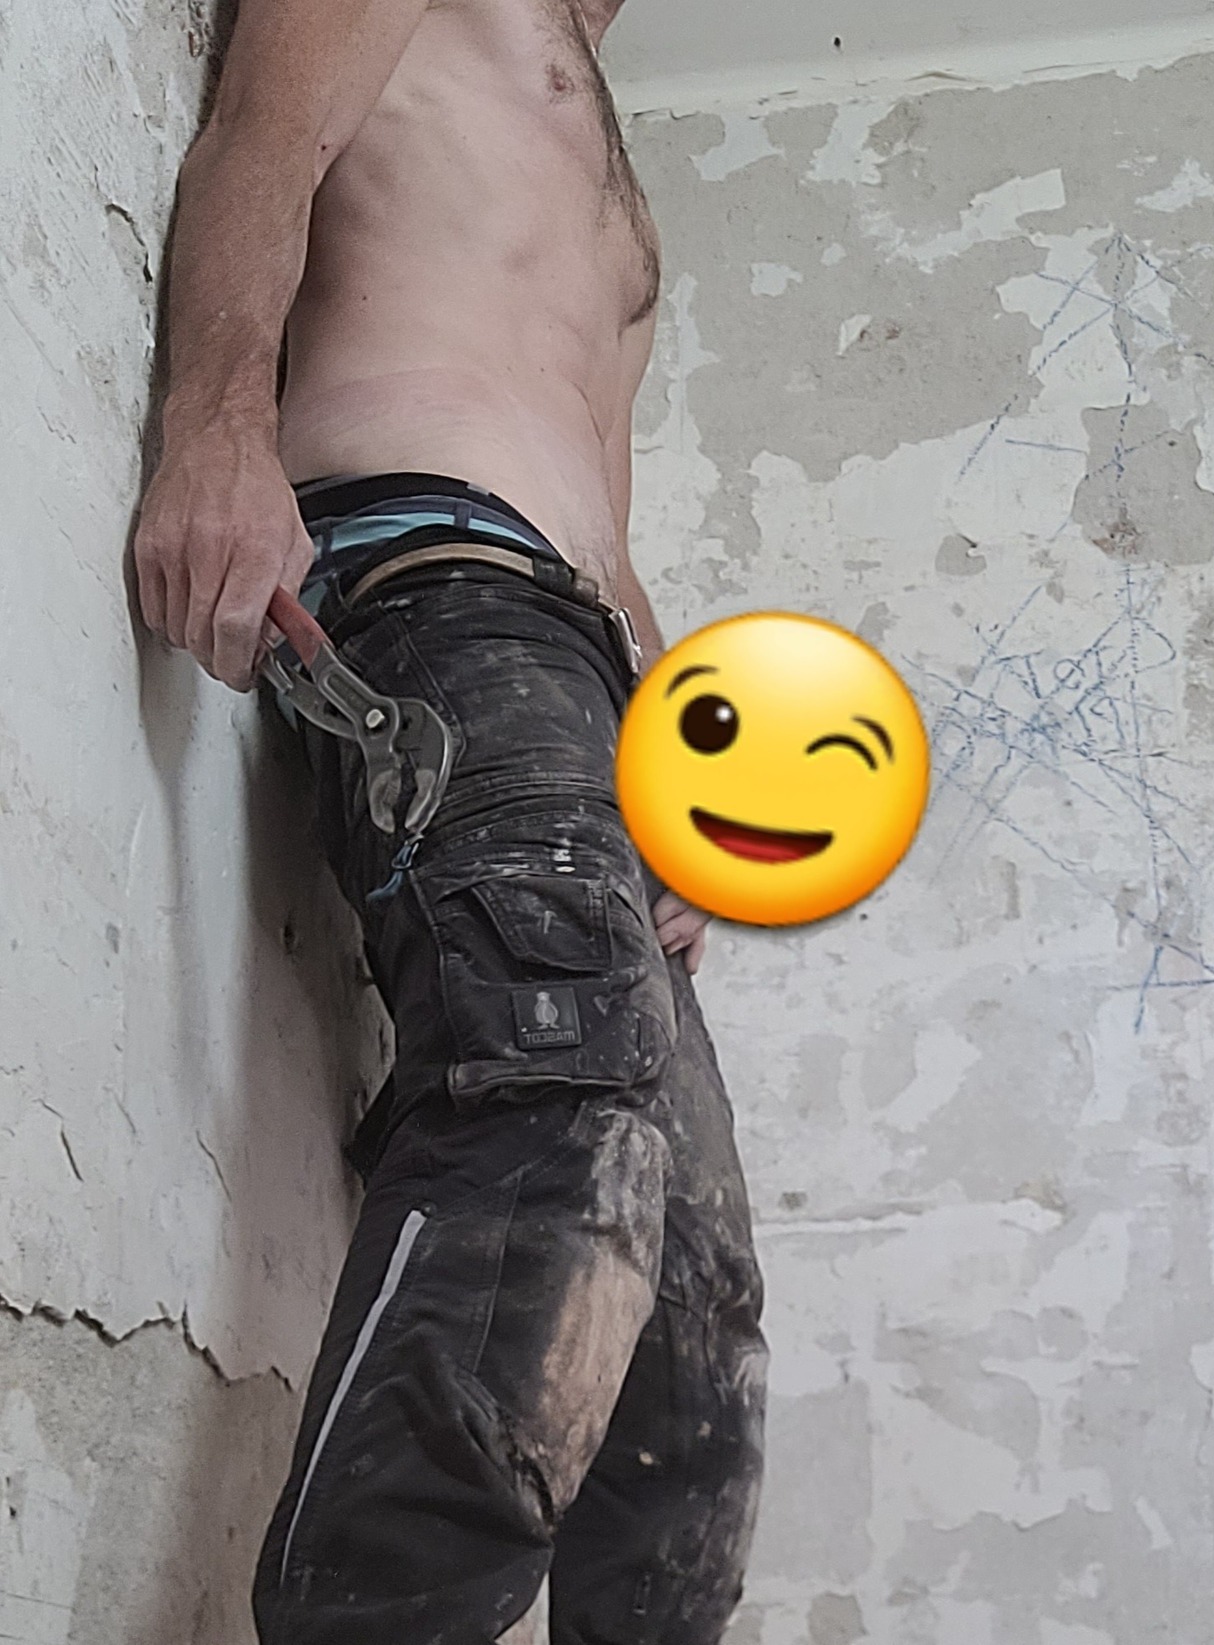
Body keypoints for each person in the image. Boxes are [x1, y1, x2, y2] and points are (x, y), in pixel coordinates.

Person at [132, 0, 767, 1638]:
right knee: (559, 1091)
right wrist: (215, 428)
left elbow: (602, 510)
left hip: (575, 656)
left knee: (692, 1309)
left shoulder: (604, 152)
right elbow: (259, 151)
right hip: (431, 573)